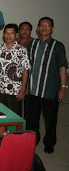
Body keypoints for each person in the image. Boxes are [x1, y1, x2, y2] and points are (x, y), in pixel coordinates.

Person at [25, 17, 67, 154]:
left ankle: (49, 144)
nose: (44, 28)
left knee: (50, 120)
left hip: (49, 90)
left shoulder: (58, 46)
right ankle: (33, 140)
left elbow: (62, 67)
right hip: (32, 90)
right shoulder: (32, 44)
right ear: (37, 28)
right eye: (42, 25)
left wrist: (63, 87)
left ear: (52, 28)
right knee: (31, 120)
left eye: (47, 25)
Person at [0, 24, 30, 116]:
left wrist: (23, 90)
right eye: (6, 33)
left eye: (11, 33)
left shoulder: (22, 50)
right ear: (3, 35)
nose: (8, 36)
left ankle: (13, 131)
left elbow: (25, 70)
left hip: (15, 89)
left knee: (14, 116)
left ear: (16, 35)